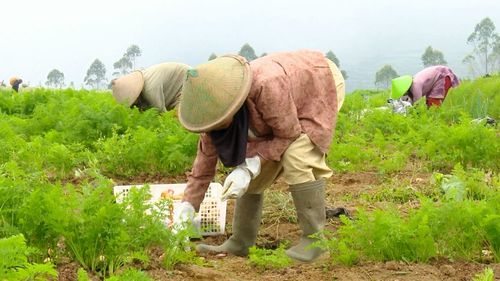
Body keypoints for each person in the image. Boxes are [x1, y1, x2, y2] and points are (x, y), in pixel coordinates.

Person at [175, 50, 345, 262]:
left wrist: (249, 167)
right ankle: (241, 241)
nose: (216, 127)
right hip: (285, 99)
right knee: (249, 163)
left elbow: (288, 134)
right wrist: (188, 207)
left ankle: (315, 244)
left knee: (297, 156)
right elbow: (203, 166)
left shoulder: (266, 85)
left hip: (318, 83)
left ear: (232, 104)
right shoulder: (212, 113)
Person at [111, 62, 191, 111]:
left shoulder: (150, 90)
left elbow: (161, 114)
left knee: (179, 119)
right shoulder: (144, 79)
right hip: (178, 82)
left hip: (188, 78)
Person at [391, 65, 459, 107]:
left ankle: (435, 124)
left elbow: (417, 104)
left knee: (433, 105)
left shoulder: (415, 86)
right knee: (429, 104)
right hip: (436, 77)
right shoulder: (412, 83)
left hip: (442, 76)